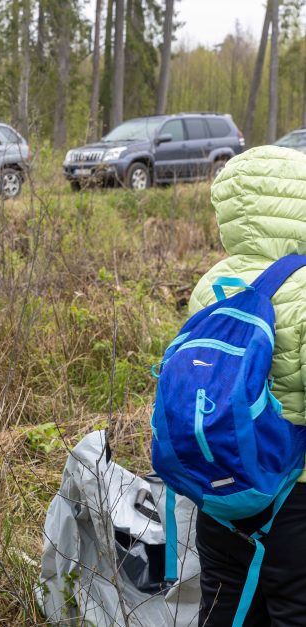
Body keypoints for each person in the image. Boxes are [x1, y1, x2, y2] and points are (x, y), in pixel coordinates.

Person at [187, 145, 306, 626]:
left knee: (223, 606)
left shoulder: (209, 284)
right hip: (293, 498)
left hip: (218, 486)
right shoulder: (302, 290)